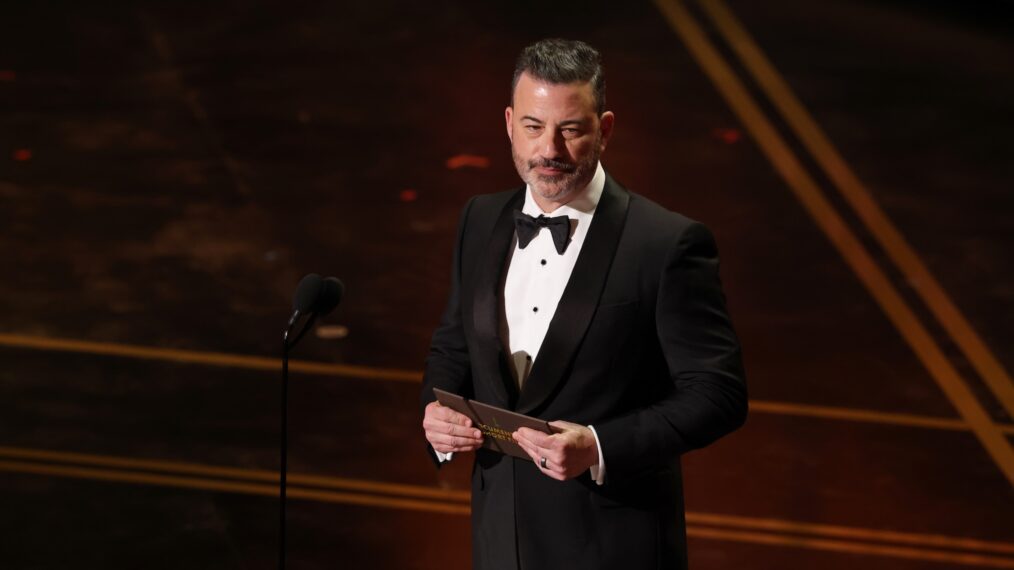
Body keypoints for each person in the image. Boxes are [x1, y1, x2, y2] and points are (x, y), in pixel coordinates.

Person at [420, 38, 747, 570]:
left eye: (570, 129)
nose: (549, 149)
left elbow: (719, 395)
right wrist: (435, 415)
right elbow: (453, 346)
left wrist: (598, 445)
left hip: (613, 546)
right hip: (501, 542)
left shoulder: (666, 243)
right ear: (508, 122)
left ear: (606, 129)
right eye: (532, 126)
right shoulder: (478, 220)